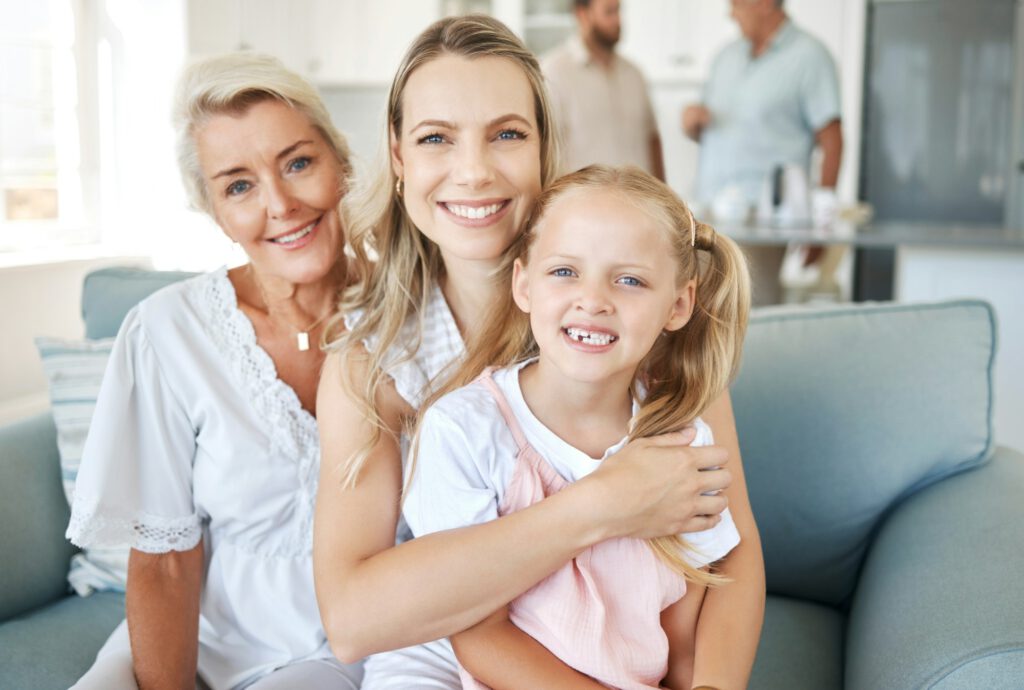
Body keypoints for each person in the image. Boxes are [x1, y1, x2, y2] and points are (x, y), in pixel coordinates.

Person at [313, 14, 765, 690]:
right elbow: (351, 620)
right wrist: (604, 504)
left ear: (546, 146)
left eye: (508, 135)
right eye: (436, 138)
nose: (473, 171)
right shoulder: (371, 362)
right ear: (400, 158)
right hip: (447, 659)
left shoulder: (641, 334)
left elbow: (731, 558)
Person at [66, 54, 364, 689]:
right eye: (239, 186)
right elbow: (167, 563)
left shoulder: (419, 317)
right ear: (216, 213)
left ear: (343, 164)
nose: (280, 204)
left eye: (299, 163)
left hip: (346, 647)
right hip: (205, 634)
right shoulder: (168, 332)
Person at [403, 164, 752, 690]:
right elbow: (478, 635)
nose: (593, 300)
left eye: (629, 279)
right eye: (565, 272)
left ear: (678, 305)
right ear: (524, 284)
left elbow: (686, 616)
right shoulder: (463, 431)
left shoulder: (682, 439)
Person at [682, 0, 843, 302]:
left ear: (765, 4)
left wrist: (821, 226)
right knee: (697, 317)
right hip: (707, 215)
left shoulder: (810, 57)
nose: (730, 13)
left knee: (751, 314)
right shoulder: (725, 58)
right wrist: (693, 123)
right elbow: (709, 133)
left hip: (763, 220)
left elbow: (832, 140)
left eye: (736, 4)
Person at [541, 0, 665, 179]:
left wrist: (666, 195)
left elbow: (652, 140)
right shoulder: (554, 72)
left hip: (641, 201)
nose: (618, 21)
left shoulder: (634, 74)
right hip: (583, 202)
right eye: (609, 12)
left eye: (618, 11)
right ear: (582, 14)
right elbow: (546, 150)